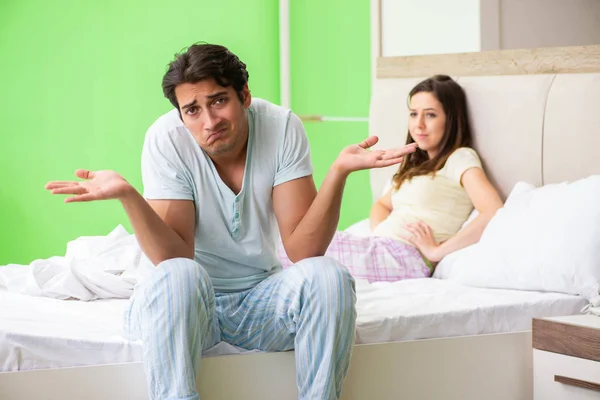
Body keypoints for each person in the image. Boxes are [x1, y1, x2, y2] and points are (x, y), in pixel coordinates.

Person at [45, 43, 417, 400]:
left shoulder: (281, 127)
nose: (209, 121)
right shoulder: (167, 140)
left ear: (245, 96)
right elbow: (175, 257)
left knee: (329, 275)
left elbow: (304, 251)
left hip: (259, 299)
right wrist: (129, 196)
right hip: (187, 307)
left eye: (219, 100)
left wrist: (337, 173)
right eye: (192, 110)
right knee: (180, 276)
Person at [279, 75, 503, 283]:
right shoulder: (415, 165)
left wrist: (437, 251)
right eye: (414, 113)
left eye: (431, 114)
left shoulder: (460, 158)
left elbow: (492, 209)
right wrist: (382, 231)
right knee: (284, 247)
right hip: (383, 247)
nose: (419, 124)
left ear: (451, 119)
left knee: (296, 250)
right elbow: (382, 205)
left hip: (407, 257)